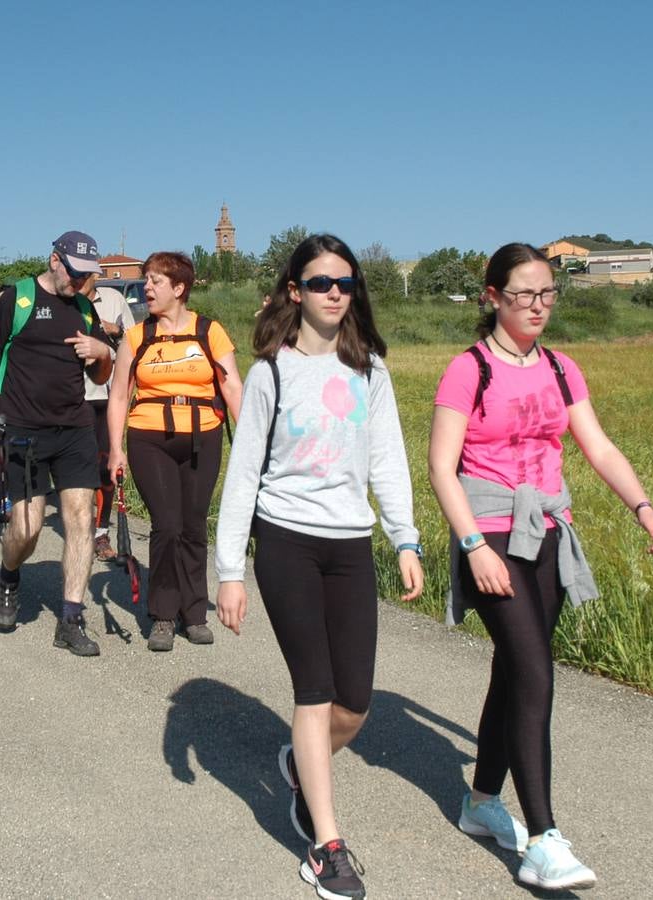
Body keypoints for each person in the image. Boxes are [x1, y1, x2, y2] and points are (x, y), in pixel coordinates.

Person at [427, 242, 653, 892]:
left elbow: (597, 445)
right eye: (522, 295)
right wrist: (473, 544)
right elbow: (440, 467)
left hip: (548, 532)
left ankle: (481, 803)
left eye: (546, 295)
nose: (536, 307)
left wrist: (639, 503)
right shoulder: (468, 370)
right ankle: (542, 839)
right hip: (494, 530)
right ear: (491, 298)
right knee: (535, 674)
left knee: (513, 674)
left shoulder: (561, 369)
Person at [214, 233, 423, 900]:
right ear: (293, 293)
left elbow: (387, 460)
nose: (334, 292)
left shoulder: (371, 372)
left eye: (344, 282)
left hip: (349, 545)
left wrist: (406, 538)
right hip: (286, 544)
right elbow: (242, 477)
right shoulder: (270, 372)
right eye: (320, 282)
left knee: (353, 704)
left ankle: (301, 768)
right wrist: (229, 571)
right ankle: (325, 847)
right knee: (314, 691)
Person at [0, 230, 113, 656]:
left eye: (89, 275)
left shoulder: (86, 309)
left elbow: (100, 378)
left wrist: (102, 353)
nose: (81, 282)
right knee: (27, 529)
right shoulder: (17, 299)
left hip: (74, 429)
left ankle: (70, 618)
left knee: (81, 519)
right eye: (76, 272)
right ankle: (9, 575)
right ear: (55, 260)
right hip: (23, 431)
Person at [106, 252, 241, 651]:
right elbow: (117, 397)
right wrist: (116, 449)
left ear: (179, 288)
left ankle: (195, 613)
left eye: (155, 281)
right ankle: (163, 614)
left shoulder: (209, 332)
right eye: (145, 280)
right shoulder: (137, 337)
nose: (146, 288)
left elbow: (232, 387)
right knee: (167, 525)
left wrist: (250, 444)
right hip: (149, 437)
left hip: (203, 435)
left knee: (194, 525)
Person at [82, 272, 135, 562]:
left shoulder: (114, 299)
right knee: (80, 468)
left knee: (106, 468)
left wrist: (116, 331)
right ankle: (81, 529)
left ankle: (100, 532)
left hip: (109, 395)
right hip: (75, 397)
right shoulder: (67, 304)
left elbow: (136, 340)